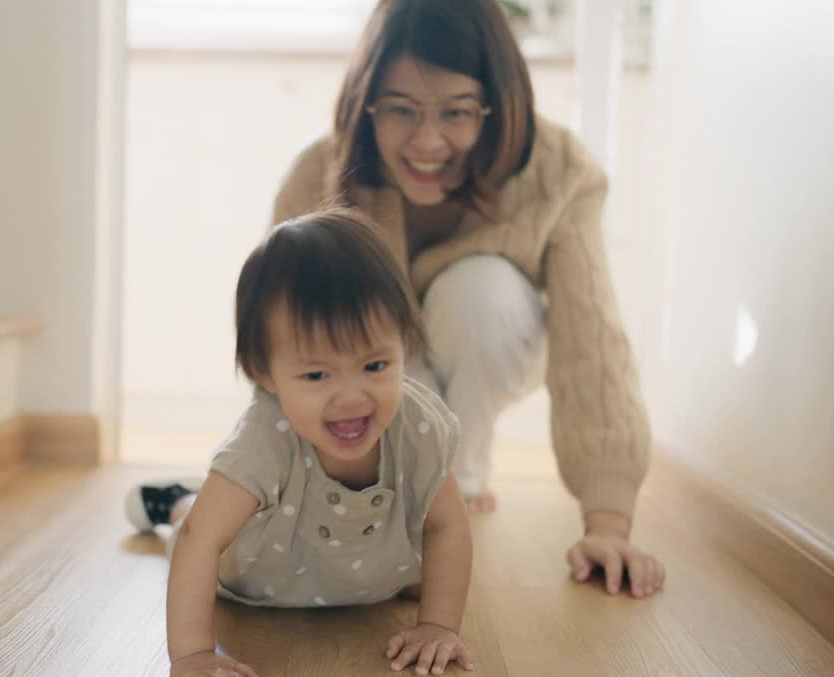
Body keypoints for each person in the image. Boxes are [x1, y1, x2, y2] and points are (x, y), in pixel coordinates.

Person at [271, 0, 664, 598]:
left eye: (456, 112)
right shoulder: (317, 176)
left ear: (496, 107)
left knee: (478, 289)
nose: (428, 141)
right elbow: (285, 349)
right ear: (366, 105)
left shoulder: (560, 170)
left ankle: (464, 465)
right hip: (381, 363)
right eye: (401, 110)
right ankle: (436, 485)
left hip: (497, 333)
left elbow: (593, 345)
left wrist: (608, 524)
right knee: (389, 354)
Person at [126, 210, 476, 677]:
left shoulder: (418, 425)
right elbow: (201, 542)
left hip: (367, 573)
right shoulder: (265, 437)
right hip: (256, 577)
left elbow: (447, 527)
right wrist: (193, 656)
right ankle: (177, 500)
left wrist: (438, 625)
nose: (351, 398)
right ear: (263, 372)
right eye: (317, 376)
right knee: (200, 521)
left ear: (405, 345)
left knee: (421, 558)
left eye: (374, 365)